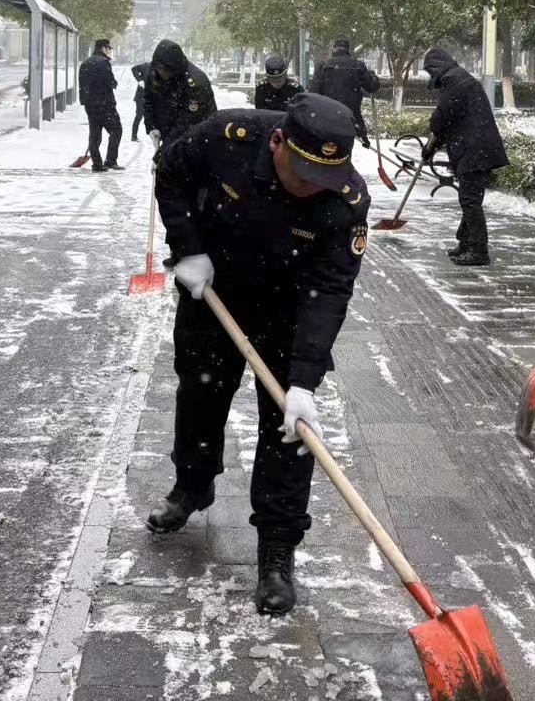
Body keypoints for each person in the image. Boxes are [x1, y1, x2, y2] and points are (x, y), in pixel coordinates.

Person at [145, 93, 369, 616]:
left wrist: (304, 381)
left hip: (290, 309)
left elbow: (331, 289)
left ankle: (277, 547)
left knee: (289, 431)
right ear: (277, 143)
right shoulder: (226, 137)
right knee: (199, 396)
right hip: (215, 290)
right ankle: (192, 485)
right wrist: (188, 247)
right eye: (305, 174)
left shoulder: (346, 201)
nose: (314, 187)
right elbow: (169, 173)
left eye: (326, 178)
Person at [422, 47, 510, 267]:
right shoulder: (457, 77)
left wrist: (432, 139)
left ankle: (479, 251)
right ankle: (466, 242)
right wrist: (432, 147)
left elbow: (442, 117)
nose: (430, 77)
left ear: (435, 67)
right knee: (469, 198)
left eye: (429, 72)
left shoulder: (454, 80)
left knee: (470, 201)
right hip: (475, 147)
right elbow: (450, 119)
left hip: (475, 148)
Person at [143, 39, 214, 151]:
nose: (161, 73)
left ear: (174, 68)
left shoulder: (195, 81)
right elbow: (148, 100)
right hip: (170, 134)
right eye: (159, 68)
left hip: (196, 139)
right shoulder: (154, 72)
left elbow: (188, 122)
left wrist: (162, 152)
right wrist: (152, 126)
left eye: (165, 69)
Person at [310, 39, 380, 147]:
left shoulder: (323, 65)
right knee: (345, 148)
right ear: (348, 50)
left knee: (327, 149)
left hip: (327, 116)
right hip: (350, 117)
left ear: (334, 49)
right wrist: (373, 77)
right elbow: (371, 87)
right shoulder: (358, 65)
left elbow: (314, 91)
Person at [78, 37, 124, 172]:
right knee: (116, 130)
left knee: (95, 134)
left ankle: (97, 164)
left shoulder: (85, 63)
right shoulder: (103, 62)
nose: (109, 51)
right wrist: (114, 82)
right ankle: (110, 161)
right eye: (108, 48)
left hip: (90, 104)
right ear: (103, 48)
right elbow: (109, 81)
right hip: (104, 104)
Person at [130, 61, 149, 141]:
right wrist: (140, 80)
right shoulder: (146, 66)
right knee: (139, 116)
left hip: (152, 98)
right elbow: (134, 69)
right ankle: (134, 136)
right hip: (141, 96)